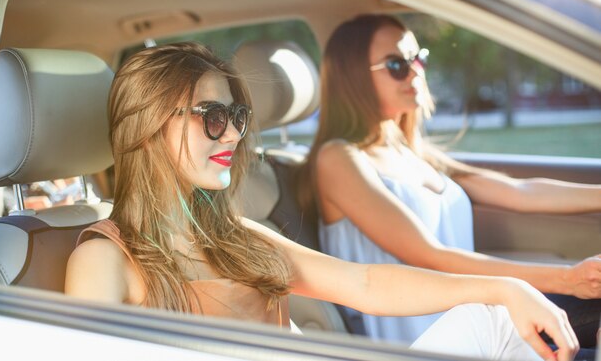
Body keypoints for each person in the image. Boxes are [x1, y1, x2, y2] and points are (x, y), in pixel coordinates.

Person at [65, 42, 579, 361]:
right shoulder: (104, 260)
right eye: (212, 116)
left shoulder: (234, 235)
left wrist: (509, 286)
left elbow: (365, 283)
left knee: (498, 316)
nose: (232, 137)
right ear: (149, 125)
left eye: (237, 117)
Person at [298, 14, 601, 349]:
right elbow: (432, 256)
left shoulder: (409, 151)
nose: (415, 72)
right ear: (352, 76)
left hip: (480, 319)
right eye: (397, 64)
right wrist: (568, 280)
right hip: (431, 342)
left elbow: (521, 191)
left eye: (418, 59)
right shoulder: (338, 159)